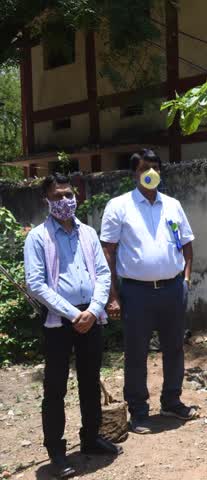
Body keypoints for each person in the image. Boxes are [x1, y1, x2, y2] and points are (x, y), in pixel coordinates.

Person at [24, 173, 121, 478]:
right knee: (55, 387)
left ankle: (91, 438)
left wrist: (92, 310)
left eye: (68, 195)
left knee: (90, 379)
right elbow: (36, 284)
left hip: (90, 316)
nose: (65, 201)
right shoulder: (37, 237)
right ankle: (56, 452)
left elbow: (104, 275)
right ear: (46, 201)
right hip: (58, 320)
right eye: (57, 197)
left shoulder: (88, 234)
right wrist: (71, 314)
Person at [100, 149, 198, 435]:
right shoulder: (119, 206)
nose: (151, 172)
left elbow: (187, 244)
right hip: (136, 293)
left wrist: (186, 281)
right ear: (134, 173)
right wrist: (113, 295)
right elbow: (108, 252)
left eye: (155, 167)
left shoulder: (172, 205)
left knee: (175, 348)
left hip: (172, 290)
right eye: (145, 167)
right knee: (136, 352)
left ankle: (171, 400)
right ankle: (139, 412)